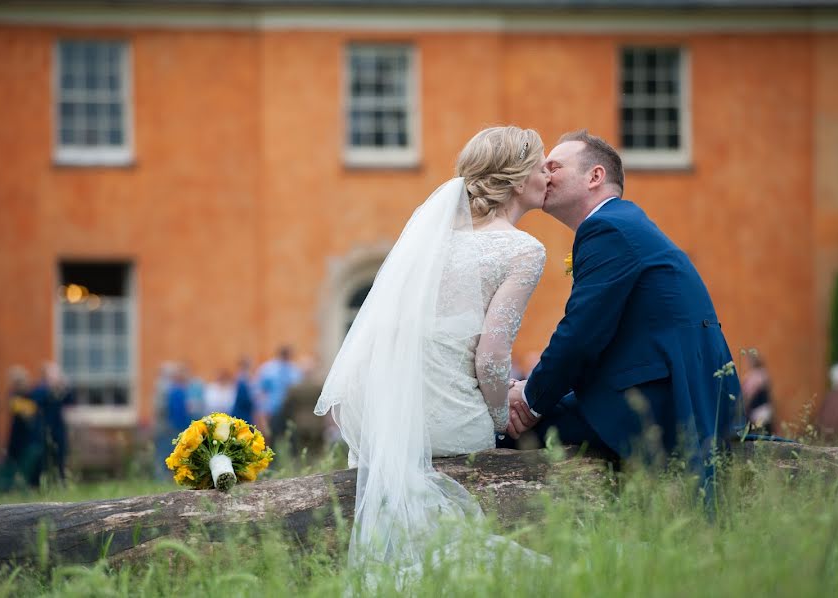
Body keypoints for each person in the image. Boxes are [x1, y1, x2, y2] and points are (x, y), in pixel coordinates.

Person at [314, 126, 549, 584]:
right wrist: (503, 416)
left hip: (387, 418)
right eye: (542, 166)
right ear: (519, 181)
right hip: (451, 422)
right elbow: (491, 359)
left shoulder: (429, 242)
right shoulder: (524, 249)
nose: (549, 174)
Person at [506, 130, 741, 488]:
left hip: (656, 404)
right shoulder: (622, 223)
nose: (544, 174)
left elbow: (581, 335)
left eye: (554, 166)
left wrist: (528, 399)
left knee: (502, 433)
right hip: (676, 390)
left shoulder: (608, 228)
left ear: (595, 176)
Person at [255, 347, 303, 440]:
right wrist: (262, 412)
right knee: (273, 437)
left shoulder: (295, 370)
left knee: (291, 437)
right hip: (273, 410)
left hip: (291, 410)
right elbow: (261, 392)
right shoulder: (268, 369)